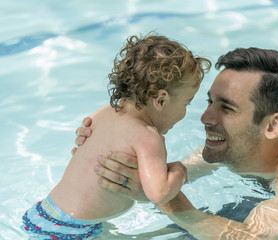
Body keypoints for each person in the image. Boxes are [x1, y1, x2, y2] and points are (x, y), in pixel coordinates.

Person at [75, 47, 278, 240]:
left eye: (226, 108)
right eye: (209, 102)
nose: (205, 117)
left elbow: (252, 238)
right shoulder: (249, 140)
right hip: (271, 209)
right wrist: (113, 141)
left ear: (273, 126)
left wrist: (162, 197)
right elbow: (186, 168)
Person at [21, 33, 211, 239]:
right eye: (187, 103)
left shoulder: (103, 113)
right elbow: (159, 193)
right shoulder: (148, 137)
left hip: (44, 213)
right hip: (78, 230)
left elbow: (84, 136)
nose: (185, 112)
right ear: (161, 100)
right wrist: (179, 171)